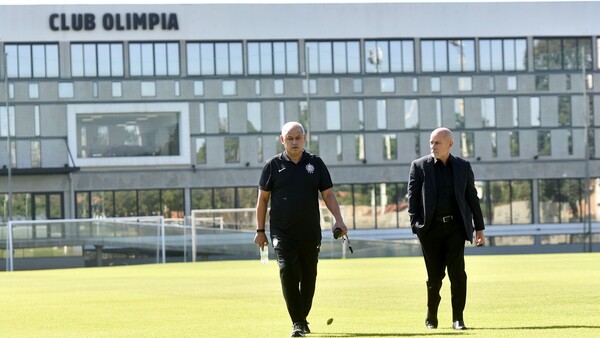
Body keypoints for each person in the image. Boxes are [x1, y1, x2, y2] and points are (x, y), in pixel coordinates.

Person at [254, 121, 348, 337]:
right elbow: (262, 200)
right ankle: (298, 322)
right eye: (290, 138)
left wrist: (339, 220)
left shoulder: (316, 163)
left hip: (310, 233)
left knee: (308, 277)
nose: (294, 142)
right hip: (282, 233)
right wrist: (260, 231)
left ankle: (302, 319)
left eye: (298, 138)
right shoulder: (272, 166)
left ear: (305, 139)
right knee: (287, 271)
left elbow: (328, 195)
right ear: (282, 140)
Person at [407, 127, 485, 331]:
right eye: (431, 142)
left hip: (455, 228)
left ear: (450, 144)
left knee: (458, 274)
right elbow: (412, 198)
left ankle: (458, 319)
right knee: (434, 277)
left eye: (437, 143)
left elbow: (471, 197)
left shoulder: (463, 166)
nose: (433, 146)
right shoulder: (419, 166)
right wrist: (416, 225)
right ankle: (431, 316)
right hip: (430, 230)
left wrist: (479, 227)